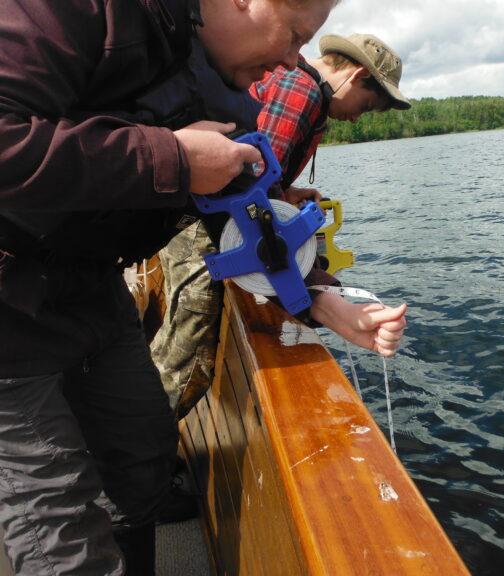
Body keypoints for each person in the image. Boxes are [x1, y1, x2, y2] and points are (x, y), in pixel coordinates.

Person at [0, 0, 339, 574]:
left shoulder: (210, 71)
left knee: (144, 460)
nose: (293, 59)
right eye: (294, 35)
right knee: (60, 530)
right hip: (8, 306)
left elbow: (237, 218)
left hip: (91, 288)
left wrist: (314, 295)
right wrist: (173, 156)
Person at [152, 33, 411, 419]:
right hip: (210, 240)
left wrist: (284, 194)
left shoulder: (294, 83)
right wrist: (319, 296)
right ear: (356, 76)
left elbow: (249, 176)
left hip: (204, 228)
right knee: (186, 368)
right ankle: (132, 462)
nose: (356, 118)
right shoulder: (301, 92)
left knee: (174, 353)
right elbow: (244, 192)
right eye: (367, 106)